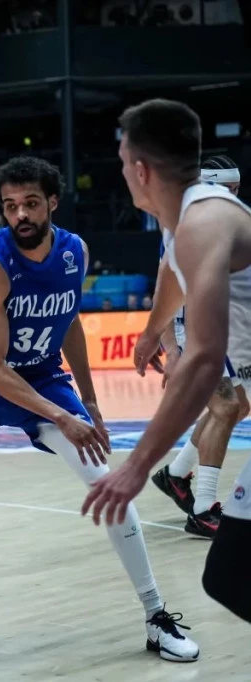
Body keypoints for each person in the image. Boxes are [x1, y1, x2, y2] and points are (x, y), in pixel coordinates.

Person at [0, 157, 199, 671]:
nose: (20, 215)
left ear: (52, 201)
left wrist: (89, 402)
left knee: (108, 483)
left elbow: (69, 321)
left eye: (30, 203)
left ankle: (156, 615)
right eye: (10, 206)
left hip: (46, 376)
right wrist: (62, 417)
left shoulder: (75, 252)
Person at [84, 98, 251, 625]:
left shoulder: (202, 221)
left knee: (231, 575)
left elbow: (204, 361)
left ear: (140, 170)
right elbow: (171, 276)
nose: (121, 173)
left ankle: (177, 481)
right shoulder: (182, 219)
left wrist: (136, 466)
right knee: (230, 577)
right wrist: (152, 330)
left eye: (121, 162)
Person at [137, 155, 250, 537]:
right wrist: (170, 347)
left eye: (238, 189)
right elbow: (166, 294)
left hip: (222, 330)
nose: (234, 196)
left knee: (238, 406)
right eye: (228, 190)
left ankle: (176, 473)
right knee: (226, 407)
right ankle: (203, 509)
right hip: (194, 332)